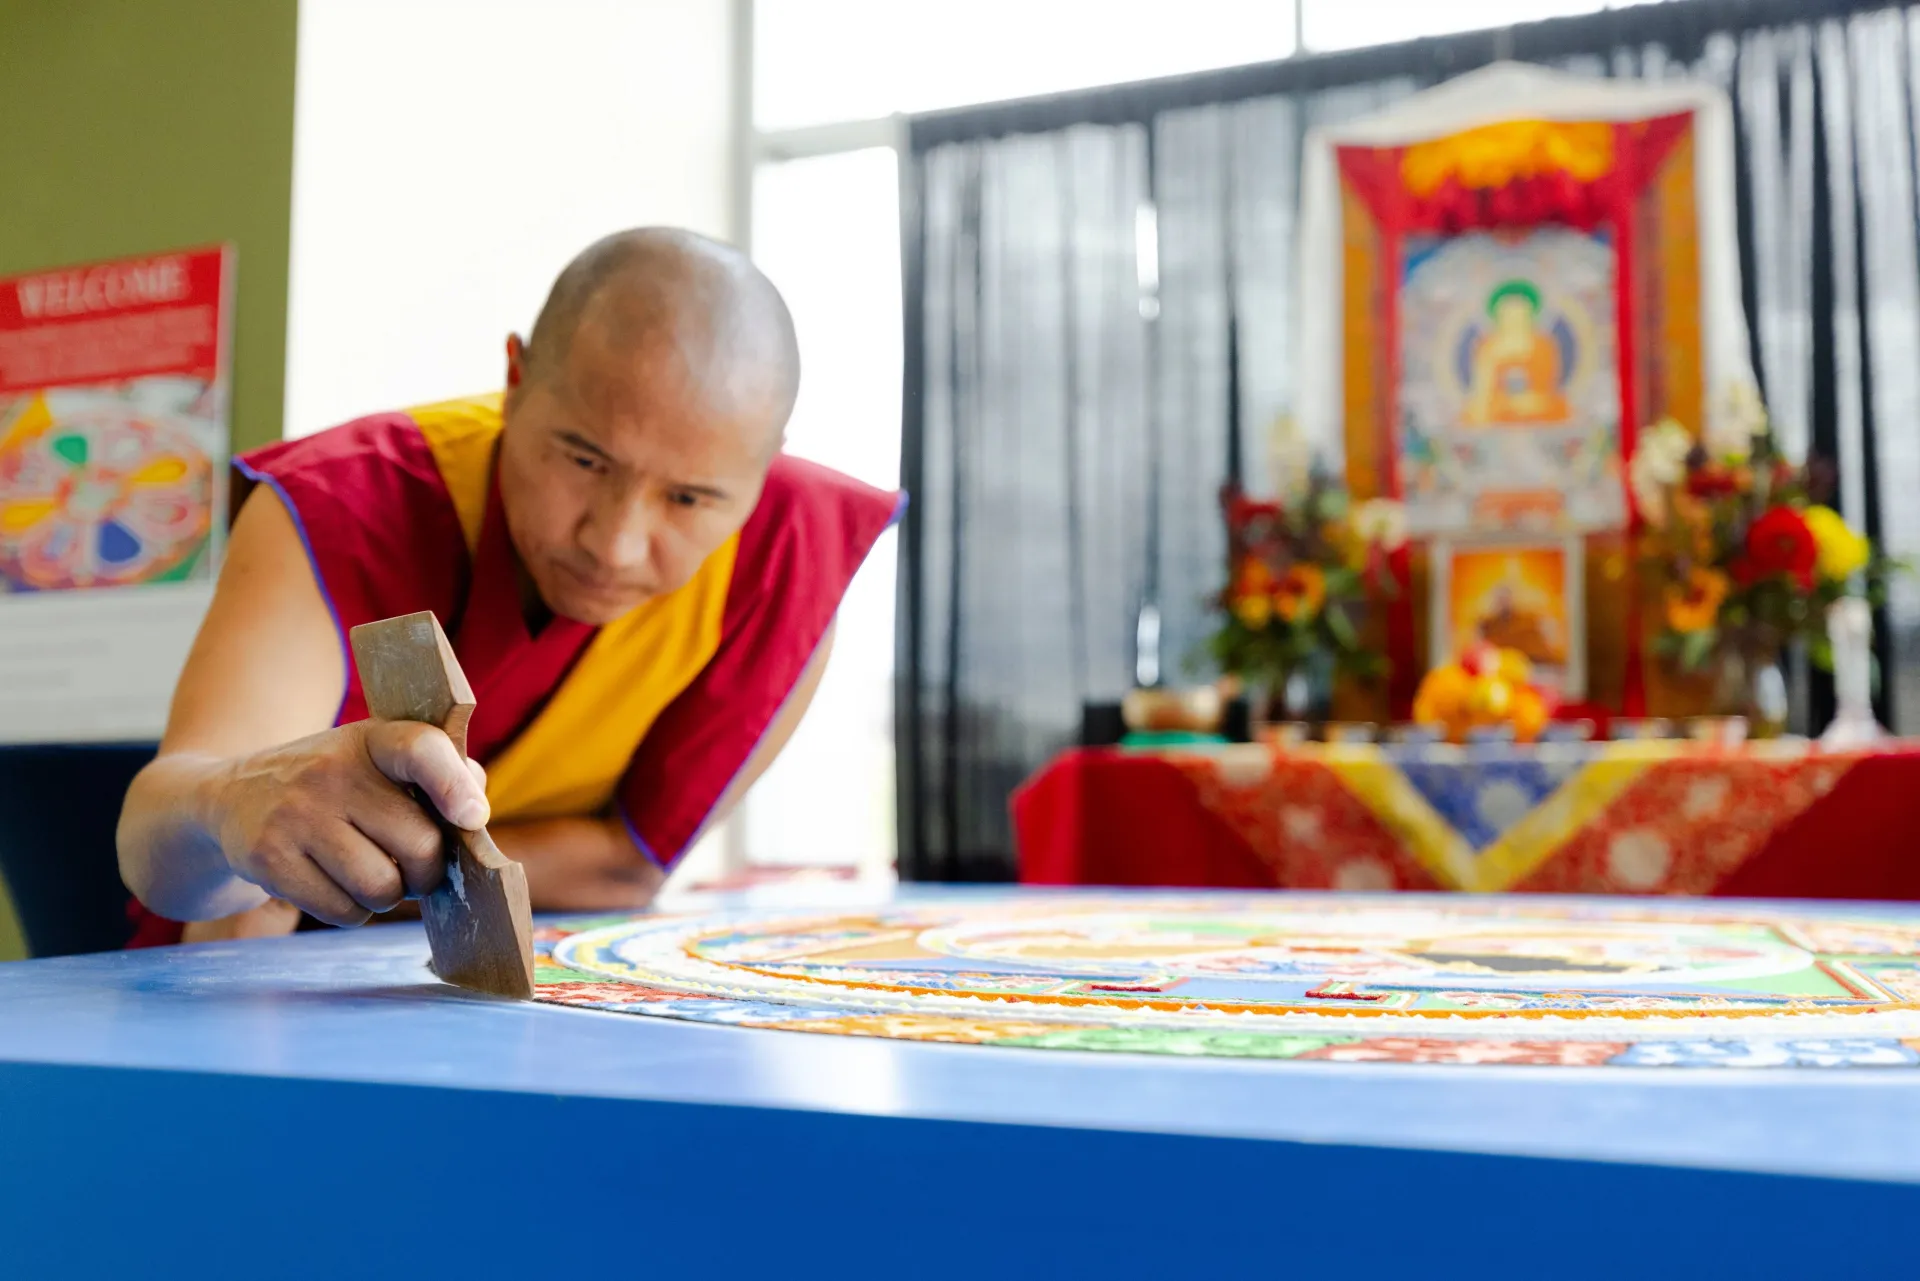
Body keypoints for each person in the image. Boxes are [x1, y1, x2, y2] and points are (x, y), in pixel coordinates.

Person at [117, 228, 899, 943]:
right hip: (256, 975)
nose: (615, 544)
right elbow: (169, 835)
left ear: (762, 466)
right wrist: (232, 808)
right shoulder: (347, 500)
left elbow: (628, 867)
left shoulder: (788, 555)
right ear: (515, 378)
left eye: (689, 498)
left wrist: (378, 866)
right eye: (585, 460)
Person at [1463, 279, 1569, 427]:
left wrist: (1525, 402)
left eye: (1520, 314)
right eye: (1509, 314)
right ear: (1499, 317)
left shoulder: (1542, 346)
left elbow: (1545, 389)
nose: (1515, 319)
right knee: (1475, 413)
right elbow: (1483, 392)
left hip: (1536, 407)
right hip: (1498, 408)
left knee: (1557, 408)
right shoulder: (1489, 347)